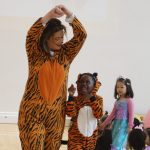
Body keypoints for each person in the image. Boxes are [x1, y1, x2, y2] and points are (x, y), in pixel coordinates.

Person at [18, 4, 87, 150]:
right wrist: (49, 16)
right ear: (47, 38)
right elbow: (31, 34)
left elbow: (82, 36)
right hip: (33, 113)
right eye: (57, 38)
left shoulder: (66, 53)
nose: (61, 41)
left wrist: (70, 15)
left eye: (62, 37)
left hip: (56, 116)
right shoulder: (35, 52)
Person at [66, 72, 103, 150]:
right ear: (78, 84)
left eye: (87, 82)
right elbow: (70, 113)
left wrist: (92, 99)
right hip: (75, 138)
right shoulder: (75, 99)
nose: (84, 84)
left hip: (91, 140)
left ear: (94, 85)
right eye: (81, 82)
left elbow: (98, 114)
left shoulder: (98, 99)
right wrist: (71, 96)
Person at [100, 76, 134, 150]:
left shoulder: (129, 101)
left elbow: (131, 114)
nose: (119, 89)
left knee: (118, 143)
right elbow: (112, 114)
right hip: (116, 125)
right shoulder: (117, 101)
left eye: (122, 87)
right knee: (114, 142)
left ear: (127, 88)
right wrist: (104, 124)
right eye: (117, 87)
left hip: (124, 125)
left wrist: (130, 126)